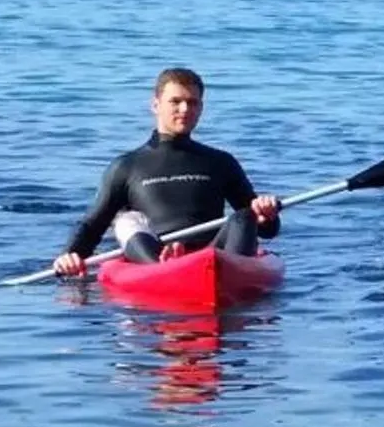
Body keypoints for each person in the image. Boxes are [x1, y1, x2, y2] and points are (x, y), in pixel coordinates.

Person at [52, 69, 279, 276]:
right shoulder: (127, 166)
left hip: (213, 258)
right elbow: (93, 225)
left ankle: (233, 274)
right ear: (156, 105)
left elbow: (266, 230)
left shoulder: (220, 161)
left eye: (192, 103)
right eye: (176, 101)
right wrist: (70, 256)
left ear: (201, 107)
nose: (184, 109)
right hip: (154, 258)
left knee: (244, 214)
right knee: (125, 221)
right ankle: (164, 267)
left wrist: (266, 214)